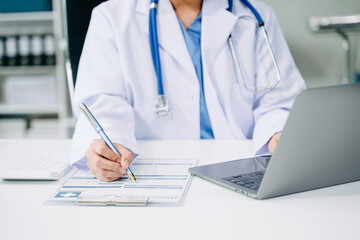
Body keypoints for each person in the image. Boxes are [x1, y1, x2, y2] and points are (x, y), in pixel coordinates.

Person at [70, 0, 306, 182]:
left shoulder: (255, 15)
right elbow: (102, 106)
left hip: (241, 169)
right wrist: (109, 147)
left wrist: (278, 133)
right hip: (156, 171)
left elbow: (278, 101)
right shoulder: (111, 17)